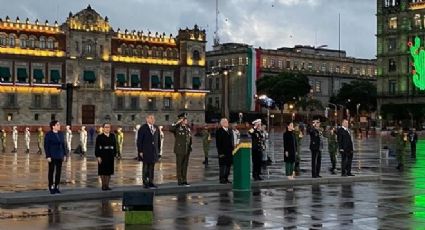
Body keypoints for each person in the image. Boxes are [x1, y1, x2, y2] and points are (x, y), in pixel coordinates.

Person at [137, 114, 161, 189]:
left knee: (152, 167)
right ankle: (145, 182)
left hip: (154, 151)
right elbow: (139, 140)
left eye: (153, 118)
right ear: (147, 119)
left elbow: (158, 140)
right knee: (146, 167)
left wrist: (158, 150)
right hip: (146, 151)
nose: (153, 119)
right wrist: (140, 151)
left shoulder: (156, 127)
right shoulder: (143, 128)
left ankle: (151, 182)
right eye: (151, 118)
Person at [44, 120, 66, 194]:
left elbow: (63, 145)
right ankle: (51, 186)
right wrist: (48, 156)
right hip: (52, 156)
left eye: (59, 125)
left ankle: (57, 186)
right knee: (51, 171)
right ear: (53, 126)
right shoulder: (49, 134)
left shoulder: (61, 134)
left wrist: (64, 154)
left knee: (58, 172)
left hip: (59, 155)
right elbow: (46, 146)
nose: (59, 126)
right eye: (58, 125)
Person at [170, 113, 192, 186]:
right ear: (181, 120)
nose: (186, 120)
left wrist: (190, 146)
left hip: (187, 149)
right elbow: (171, 129)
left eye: (186, 119)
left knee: (185, 165)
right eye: (184, 119)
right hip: (179, 150)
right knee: (179, 166)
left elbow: (189, 138)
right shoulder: (177, 128)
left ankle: (184, 180)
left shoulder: (187, 128)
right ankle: (180, 180)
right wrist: (177, 122)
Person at [95, 123, 117, 190]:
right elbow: (97, 147)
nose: (107, 128)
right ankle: (103, 185)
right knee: (102, 170)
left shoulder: (112, 136)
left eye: (109, 127)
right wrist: (98, 156)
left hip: (110, 154)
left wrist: (115, 154)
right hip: (102, 154)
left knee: (109, 171)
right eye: (106, 127)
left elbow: (115, 145)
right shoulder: (100, 136)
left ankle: (107, 185)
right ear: (103, 128)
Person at [216, 118, 234, 184]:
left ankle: (226, 178)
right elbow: (218, 143)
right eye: (226, 122)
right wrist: (220, 153)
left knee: (228, 166)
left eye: (227, 122)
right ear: (222, 123)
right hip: (223, 152)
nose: (227, 123)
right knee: (223, 166)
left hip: (229, 152)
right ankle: (222, 179)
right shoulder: (219, 131)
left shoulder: (229, 130)